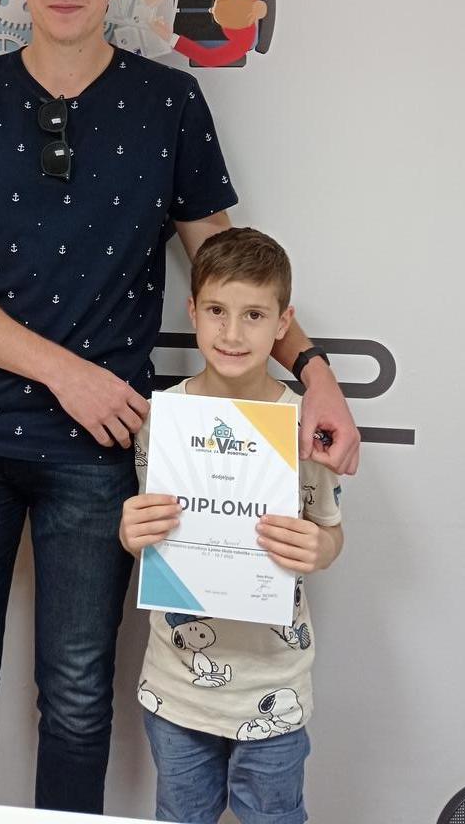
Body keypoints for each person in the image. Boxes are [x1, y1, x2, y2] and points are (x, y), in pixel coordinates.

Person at [0, 0, 358, 812]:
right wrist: (67, 373)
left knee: (76, 700)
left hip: (99, 453)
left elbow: (230, 267)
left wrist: (313, 369)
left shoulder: (168, 103)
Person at [120, 227, 344, 824]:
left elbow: (331, 530)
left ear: (282, 322)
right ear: (192, 311)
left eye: (254, 315)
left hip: (274, 687)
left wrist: (320, 548)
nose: (232, 333)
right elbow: (150, 536)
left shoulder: (303, 426)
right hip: (176, 687)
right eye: (217, 311)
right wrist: (129, 533)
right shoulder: (161, 421)